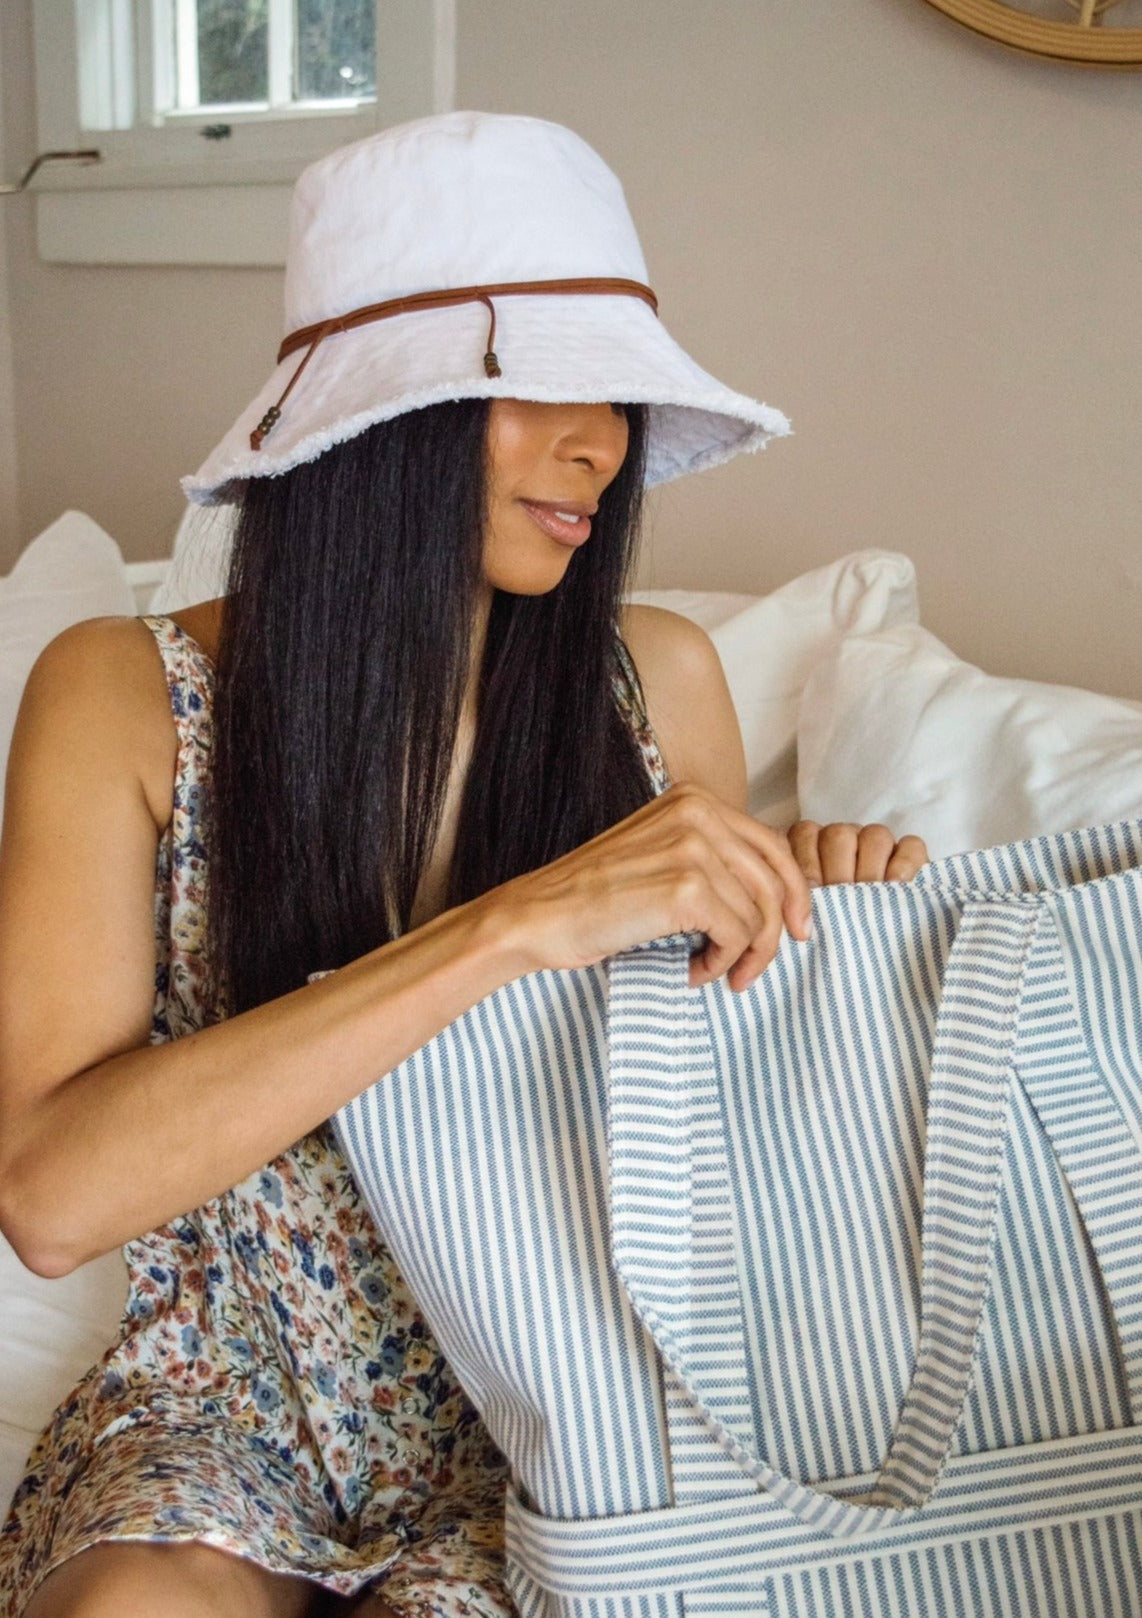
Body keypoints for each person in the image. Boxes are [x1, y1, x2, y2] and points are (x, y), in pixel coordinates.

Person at [0, 112, 926, 1618]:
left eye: (617, 394)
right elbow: (48, 1192)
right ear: (379, 420)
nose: (602, 443)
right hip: (221, 1410)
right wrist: (512, 925)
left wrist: (830, 914)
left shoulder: (658, 681)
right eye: (541, 387)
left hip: (558, 1416)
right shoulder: (122, 695)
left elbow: (727, 1122)